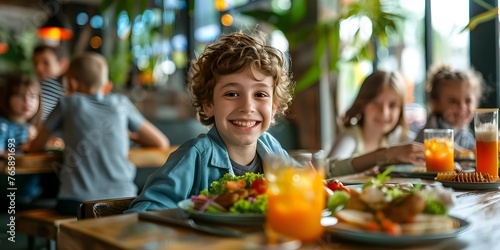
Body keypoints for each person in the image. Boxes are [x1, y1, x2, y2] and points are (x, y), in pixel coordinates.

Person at [125, 31, 294, 213]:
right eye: (232, 94)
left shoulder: (273, 149)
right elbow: (142, 214)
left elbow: (302, 188)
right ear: (208, 105)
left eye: (260, 94)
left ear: (274, 107)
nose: (247, 106)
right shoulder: (193, 157)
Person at [30, 52, 170, 215]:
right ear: (105, 83)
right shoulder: (121, 103)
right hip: (124, 201)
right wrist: (128, 136)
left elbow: (35, 146)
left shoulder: (67, 103)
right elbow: (160, 142)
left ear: (72, 83)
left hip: (77, 204)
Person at [327, 71, 425, 177]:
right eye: (376, 102)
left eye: (392, 105)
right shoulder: (351, 136)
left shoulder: (397, 137)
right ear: (362, 104)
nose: (384, 112)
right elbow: (329, 169)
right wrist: (387, 155)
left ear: (400, 111)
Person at [415, 65, 484, 153]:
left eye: (468, 100)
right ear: (435, 104)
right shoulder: (431, 130)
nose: (462, 106)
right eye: (453, 101)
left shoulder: (465, 133)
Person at [0, 74, 42, 203]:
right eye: (19, 95)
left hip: (33, 192)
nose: (27, 101)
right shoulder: (3, 125)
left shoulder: (36, 128)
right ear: (7, 98)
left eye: (32, 96)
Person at [33, 44, 69, 121]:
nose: (39, 68)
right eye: (36, 63)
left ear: (62, 65)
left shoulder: (49, 85)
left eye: (46, 63)